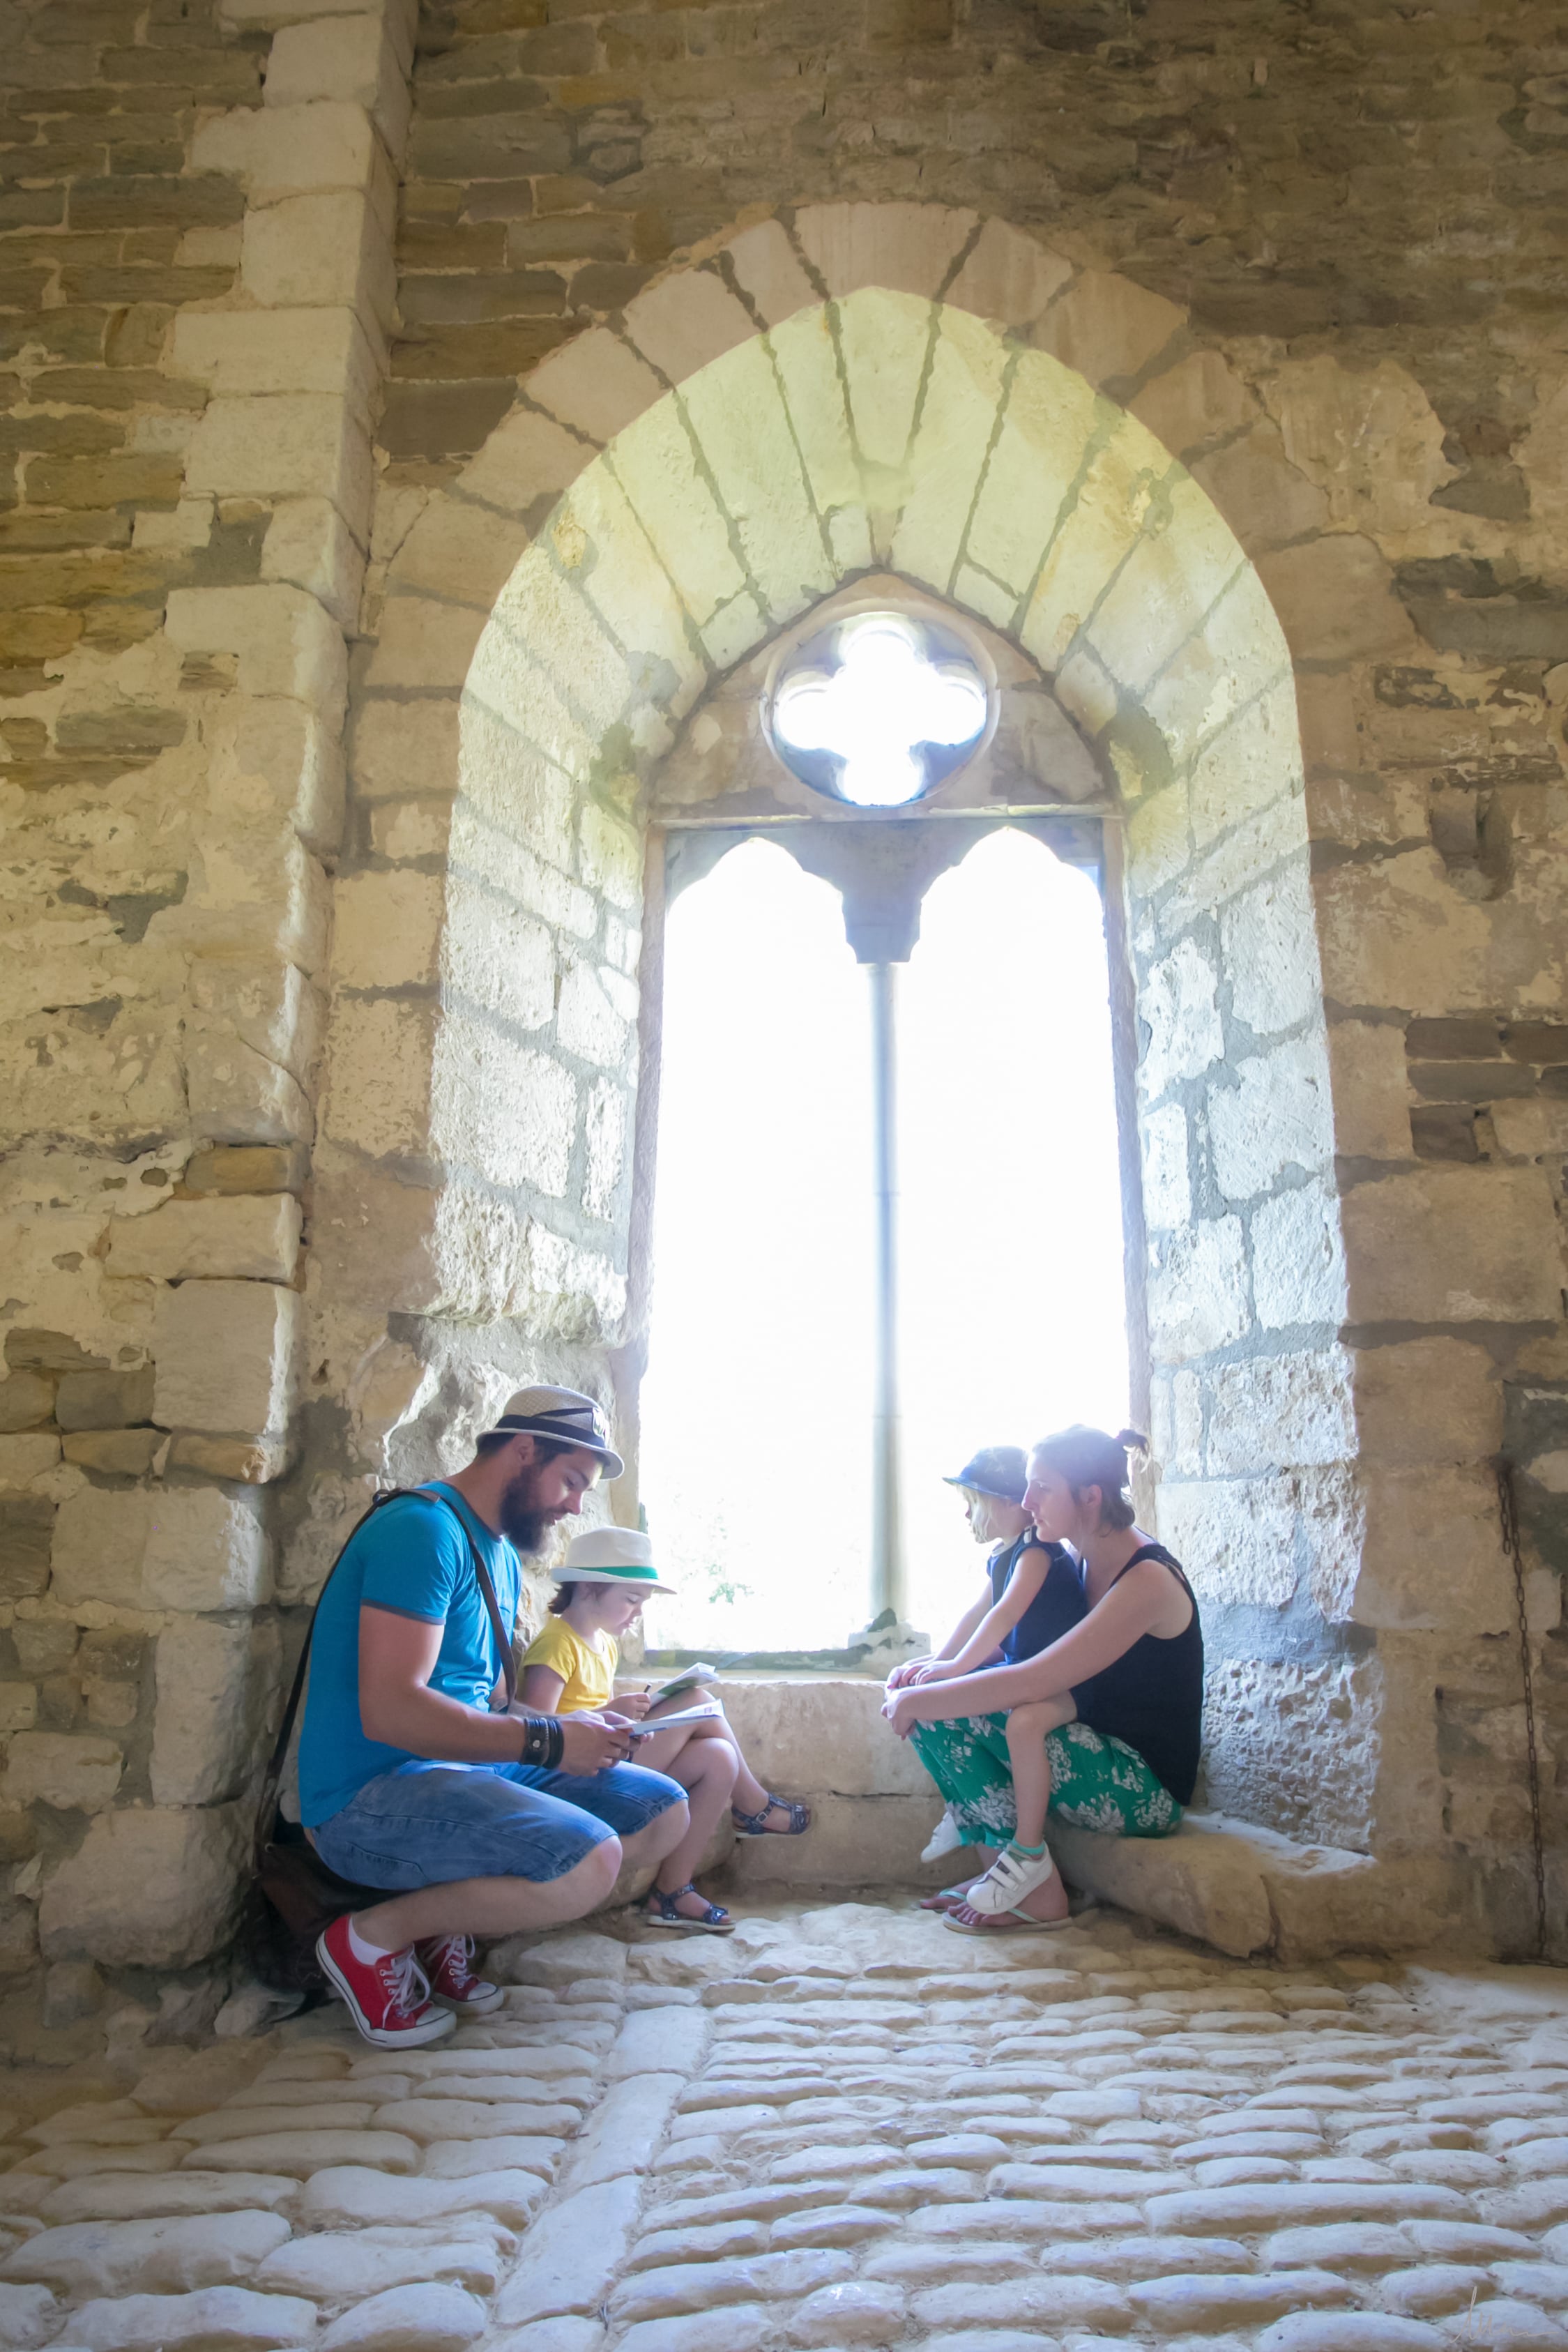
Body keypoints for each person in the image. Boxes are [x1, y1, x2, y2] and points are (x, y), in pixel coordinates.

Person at [298, 1386, 690, 2047]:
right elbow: (392, 1709)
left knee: (663, 1810)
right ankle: (367, 1940)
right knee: (588, 1861)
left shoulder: (501, 1555)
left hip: (457, 1770)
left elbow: (489, 1705)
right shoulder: (420, 1530)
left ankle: (440, 1923)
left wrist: (583, 1725)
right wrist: (545, 1740)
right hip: (366, 1796)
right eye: (570, 1481)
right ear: (524, 1450)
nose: (572, 1505)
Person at [882, 1425, 1202, 1934]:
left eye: (1042, 1487)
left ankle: (1037, 1885)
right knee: (935, 1711)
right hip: (1088, 1743)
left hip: (1143, 1788)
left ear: (1090, 1496)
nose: (1026, 1501)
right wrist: (927, 1683)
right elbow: (992, 1620)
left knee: (943, 1705)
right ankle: (1001, 1870)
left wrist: (923, 1697)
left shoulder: (1147, 1580)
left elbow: (1032, 1678)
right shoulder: (1076, 1559)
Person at [521, 1528, 811, 1934]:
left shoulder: (604, 1644)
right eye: (631, 1600)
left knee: (718, 1758)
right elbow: (532, 1727)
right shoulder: (556, 1644)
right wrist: (608, 1712)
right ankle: (755, 1807)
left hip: (607, 1760)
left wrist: (632, 1716)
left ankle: (671, 1892)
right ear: (588, 1588)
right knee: (696, 1703)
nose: (637, 1613)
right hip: (568, 1776)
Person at [886, 1446, 1086, 1866]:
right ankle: (967, 1817)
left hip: (1049, 1682)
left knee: (941, 1705)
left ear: (1012, 1504)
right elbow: (977, 1612)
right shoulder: (1007, 1551)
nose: (967, 1516)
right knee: (930, 1701)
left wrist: (956, 1668)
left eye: (974, 1504)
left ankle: (994, 1833)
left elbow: (1004, 1614)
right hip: (1020, 1671)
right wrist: (936, 1661)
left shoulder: (1035, 1553)